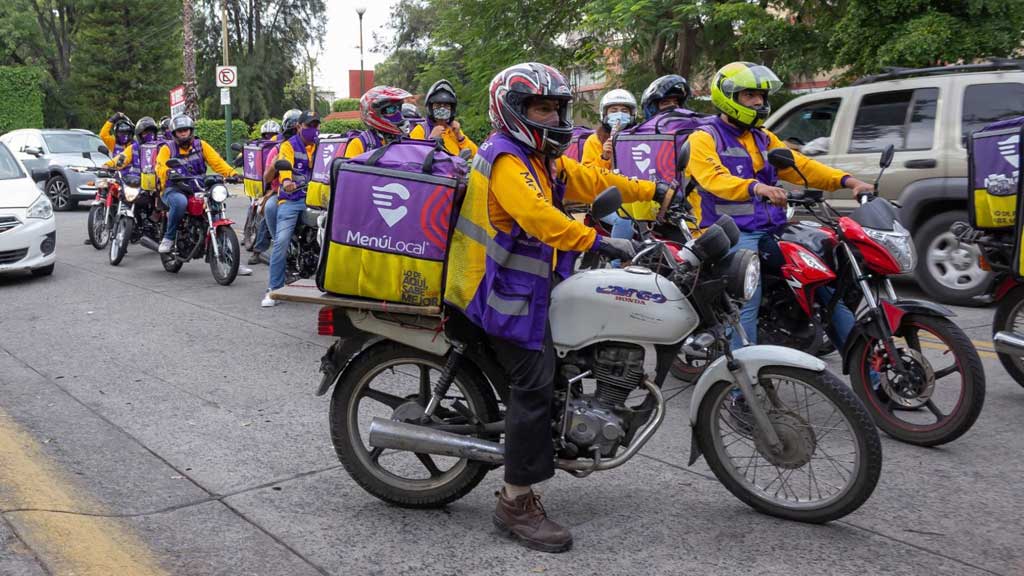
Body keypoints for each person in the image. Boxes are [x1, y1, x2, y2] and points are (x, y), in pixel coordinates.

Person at [444, 62, 676, 553]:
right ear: (513, 111)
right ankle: (515, 501)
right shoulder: (507, 159)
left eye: (556, 107)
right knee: (535, 381)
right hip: (491, 292)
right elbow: (539, 217)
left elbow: (594, 179)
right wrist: (598, 240)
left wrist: (653, 191)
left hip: (525, 287)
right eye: (542, 107)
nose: (552, 116)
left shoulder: (541, 160)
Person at [685, 61, 874, 351]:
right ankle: (738, 390)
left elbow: (803, 166)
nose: (759, 102)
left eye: (761, 96)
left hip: (771, 228)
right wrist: (755, 187)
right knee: (747, 303)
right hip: (732, 234)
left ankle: (866, 370)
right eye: (749, 95)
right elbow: (713, 179)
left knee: (822, 282)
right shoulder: (704, 137)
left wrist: (848, 182)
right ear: (728, 96)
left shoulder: (763, 137)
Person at [154, 115, 241, 255]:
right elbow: (159, 166)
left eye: (186, 130)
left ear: (191, 131)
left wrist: (232, 174)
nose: (183, 133)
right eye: (180, 131)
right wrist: (169, 172)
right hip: (175, 188)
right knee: (180, 203)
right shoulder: (167, 148)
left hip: (198, 187)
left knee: (216, 205)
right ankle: (169, 238)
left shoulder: (201, 145)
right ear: (174, 133)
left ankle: (230, 256)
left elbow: (217, 162)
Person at [260, 111, 320, 307]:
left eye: (316, 126)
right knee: (282, 240)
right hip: (293, 199)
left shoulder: (322, 146)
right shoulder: (288, 146)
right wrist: (286, 181)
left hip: (318, 200)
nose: (313, 130)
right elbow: (284, 165)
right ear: (299, 127)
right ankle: (274, 289)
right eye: (309, 126)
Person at [580, 89, 646, 260]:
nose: (619, 115)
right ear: (604, 114)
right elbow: (587, 175)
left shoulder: (638, 137)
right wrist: (604, 157)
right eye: (613, 110)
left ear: (632, 114)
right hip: (604, 197)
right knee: (624, 219)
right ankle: (616, 263)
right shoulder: (594, 140)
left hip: (633, 194)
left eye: (624, 111)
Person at [251, 110, 302, 265]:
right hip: (279, 193)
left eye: (299, 130)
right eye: (293, 131)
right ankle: (282, 247)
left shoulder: (314, 148)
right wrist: (275, 165)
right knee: (271, 208)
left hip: (307, 193)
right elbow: (266, 178)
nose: (296, 135)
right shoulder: (278, 149)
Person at [343, 86, 426, 158]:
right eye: (391, 109)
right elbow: (347, 174)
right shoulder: (360, 144)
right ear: (374, 114)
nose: (398, 114)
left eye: (398, 108)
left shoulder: (406, 139)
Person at [423, 79, 477, 158]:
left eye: (446, 105)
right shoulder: (422, 129)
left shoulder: (454, 130)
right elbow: (412, 156)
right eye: (438, 105)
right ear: (430, 107)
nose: (442, 109)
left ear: (452, 109)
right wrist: (431, 140)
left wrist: (459, 136)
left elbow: (475, 154)